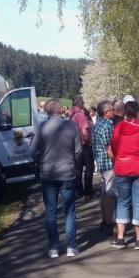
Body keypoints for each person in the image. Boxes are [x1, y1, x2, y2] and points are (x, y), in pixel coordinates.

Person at [30, 99, 82, 258]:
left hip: (48, 173)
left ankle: (53, 247)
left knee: (50, 211)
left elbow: (33, 151)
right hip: (67, 172)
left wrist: (40, 161)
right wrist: (75, 164)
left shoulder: (41, 127)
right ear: (61, 110)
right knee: (69, 211)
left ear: (46, 111)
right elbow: (78, 151)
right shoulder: (71, 126)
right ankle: (71, 246)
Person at [110, 101, 139, 250]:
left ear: (124, 112)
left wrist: (121, 157)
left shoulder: (119, 127)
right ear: (138, 113)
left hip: (122, 167)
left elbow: (114, 146)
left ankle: (120, 238)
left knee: (122, 202)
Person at [91, 100, 117, 235]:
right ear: (107, 113)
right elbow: (109, 149)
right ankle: (108, 222)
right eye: (112, 110)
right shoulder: (107, 126)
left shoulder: (97, 124)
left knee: (104, 193)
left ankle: (104, 220)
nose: (114, 112)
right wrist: (117, 162)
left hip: (101, 163)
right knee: (110, 195)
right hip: (108, 164)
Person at [70, 95, 95, 198]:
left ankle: (78, 190)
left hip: (74, 145)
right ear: (79, 103)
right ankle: (88, 191)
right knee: (89, 168)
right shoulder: (80, 114)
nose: (83, 104)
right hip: (84, 145)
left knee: (78, 169)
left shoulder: (71, 114)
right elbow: (84, 130)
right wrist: (88, 141)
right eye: (83, 102)